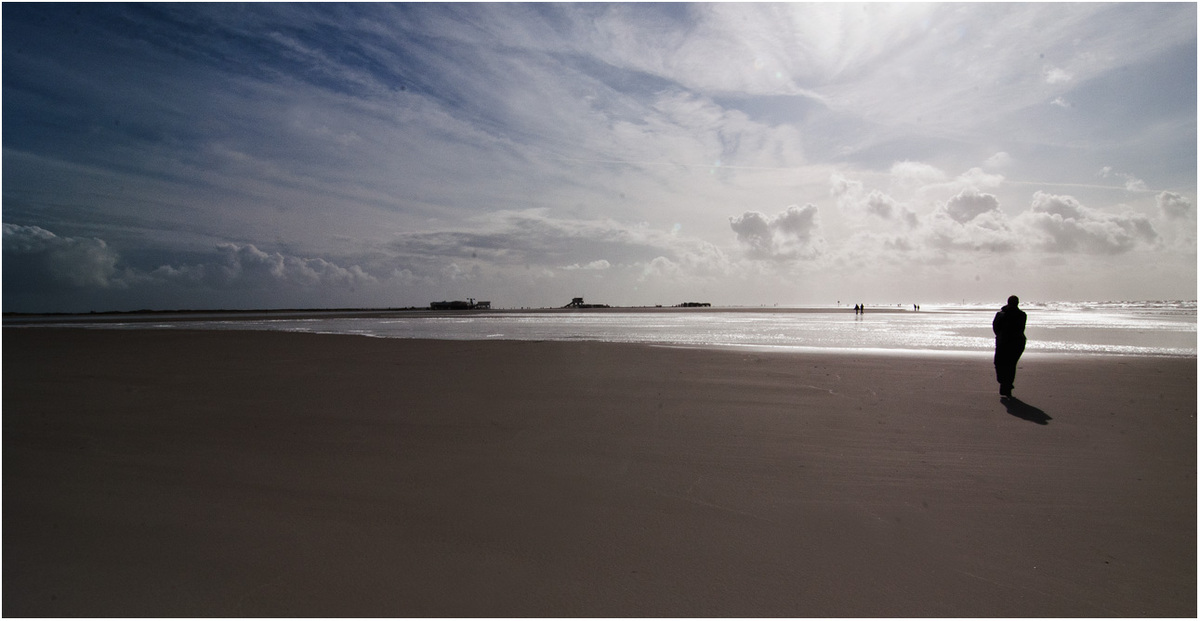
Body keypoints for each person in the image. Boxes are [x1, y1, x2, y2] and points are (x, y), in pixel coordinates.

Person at [992, 295, 1027, 398]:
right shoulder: (1020, 315)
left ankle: (1005, 385)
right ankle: (1006, 385)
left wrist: (1000, 336)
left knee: (1002, 364)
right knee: (1009, 365)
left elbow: (996, 328)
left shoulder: (1004, 314)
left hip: (1008, 342)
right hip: (1015, 342)